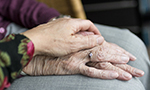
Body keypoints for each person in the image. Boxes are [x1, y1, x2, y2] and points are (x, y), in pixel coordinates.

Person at [0, 0, 149, 90]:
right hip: (6, 70)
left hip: (13, 29)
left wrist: (56, 22)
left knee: (132, 45)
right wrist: (34, 48)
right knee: (122, 86)